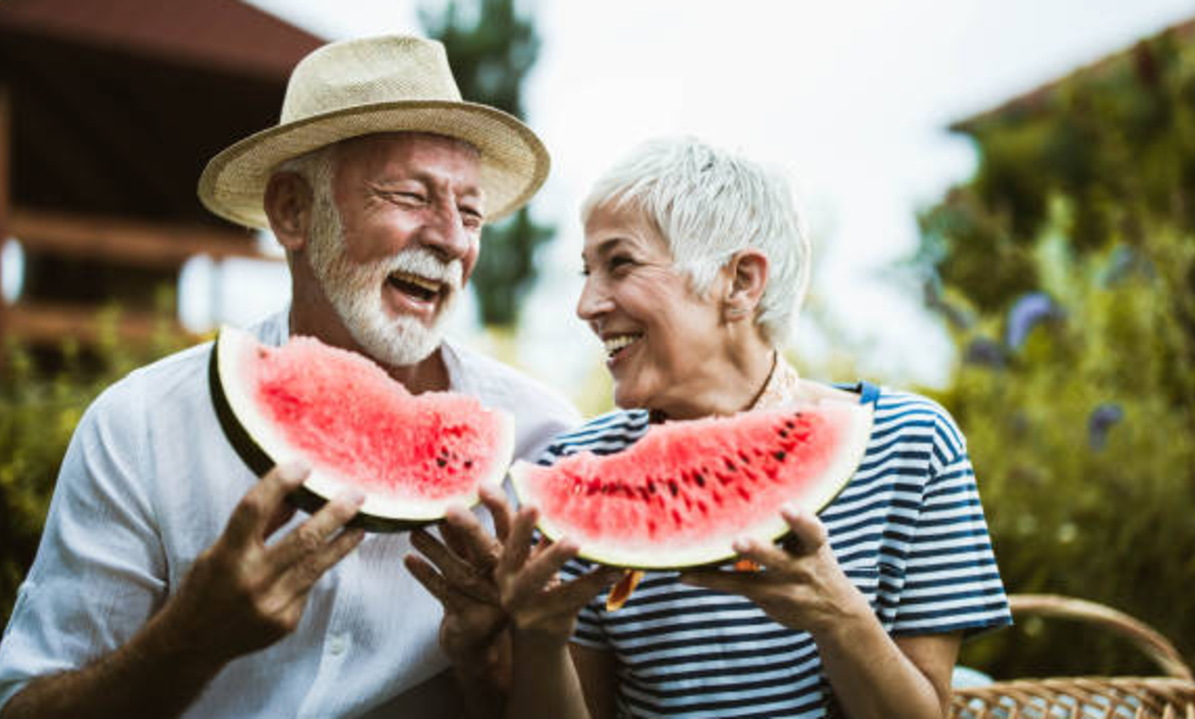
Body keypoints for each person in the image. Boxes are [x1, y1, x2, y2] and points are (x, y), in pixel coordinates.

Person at [0, 35, 578, 719]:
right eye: (410, 195)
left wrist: (492, 668)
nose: (451, 237)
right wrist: (188, 640)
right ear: (292, 211)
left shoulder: (543, 441)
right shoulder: (142, 425)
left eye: (471, 211)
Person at [424, 136, 1013, 718]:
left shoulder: (911, 444)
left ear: (741, 283)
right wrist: (539, 638)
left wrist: (836, 615)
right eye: (586, 271)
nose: (586, 304)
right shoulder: (575, 470)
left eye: (619, 263)